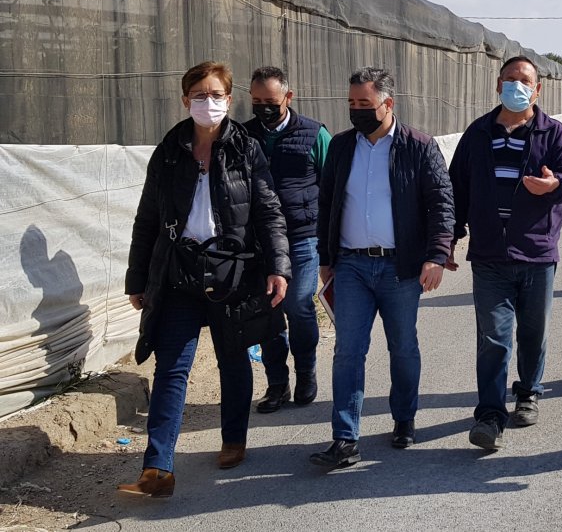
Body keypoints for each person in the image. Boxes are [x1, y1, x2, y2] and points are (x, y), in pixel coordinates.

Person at [119, 62, 291, 498]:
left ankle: (233, 438)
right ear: (185, 100)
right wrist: (137, 277)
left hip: (231, 271)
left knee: (232, 359)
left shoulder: (246, 148)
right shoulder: (170, 149)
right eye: (199, 95)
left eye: (216, 95)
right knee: (172, 367)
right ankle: (157, 466)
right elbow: (148, 218)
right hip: (179, 271)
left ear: (229, 100)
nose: (208, 103)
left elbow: (269, 212)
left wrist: (278, 267)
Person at [309, 67, 454, 469]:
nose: (356, 111)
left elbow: (442, 203)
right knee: (348, 351)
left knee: (402, 347)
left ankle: (404, 419)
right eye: (352, 103)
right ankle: (345, 438)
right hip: (352, 266)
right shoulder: (340, 147)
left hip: (400, 267)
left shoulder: (419, 147)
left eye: (365, 104)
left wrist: (436, 255)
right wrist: (325, 257)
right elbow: (327, 205)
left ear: (388, 104)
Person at [448, 55, 562, 450]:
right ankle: (490, 416)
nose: (516, 86)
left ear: (537, 89)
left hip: (538, 253)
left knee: (533, 331)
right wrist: (449, 240)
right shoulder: (477, 134)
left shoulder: (554, 134)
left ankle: (528, 391)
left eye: (524, 80)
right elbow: (456, 191)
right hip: (489, 255)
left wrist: (554, 184)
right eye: (509, 79)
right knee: (493, 337)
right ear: (497, 85)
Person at [244, 66, 332, 413]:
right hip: (260, 242)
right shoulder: (242, 136)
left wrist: (330, 244)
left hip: (302, 238)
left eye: (270, 101)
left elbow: (333, 188)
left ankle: (306, 372)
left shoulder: (314, 134)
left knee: (297, 304)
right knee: (268, 310)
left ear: (288, 98)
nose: (263, 107)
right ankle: (276, 384)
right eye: (256, 101)